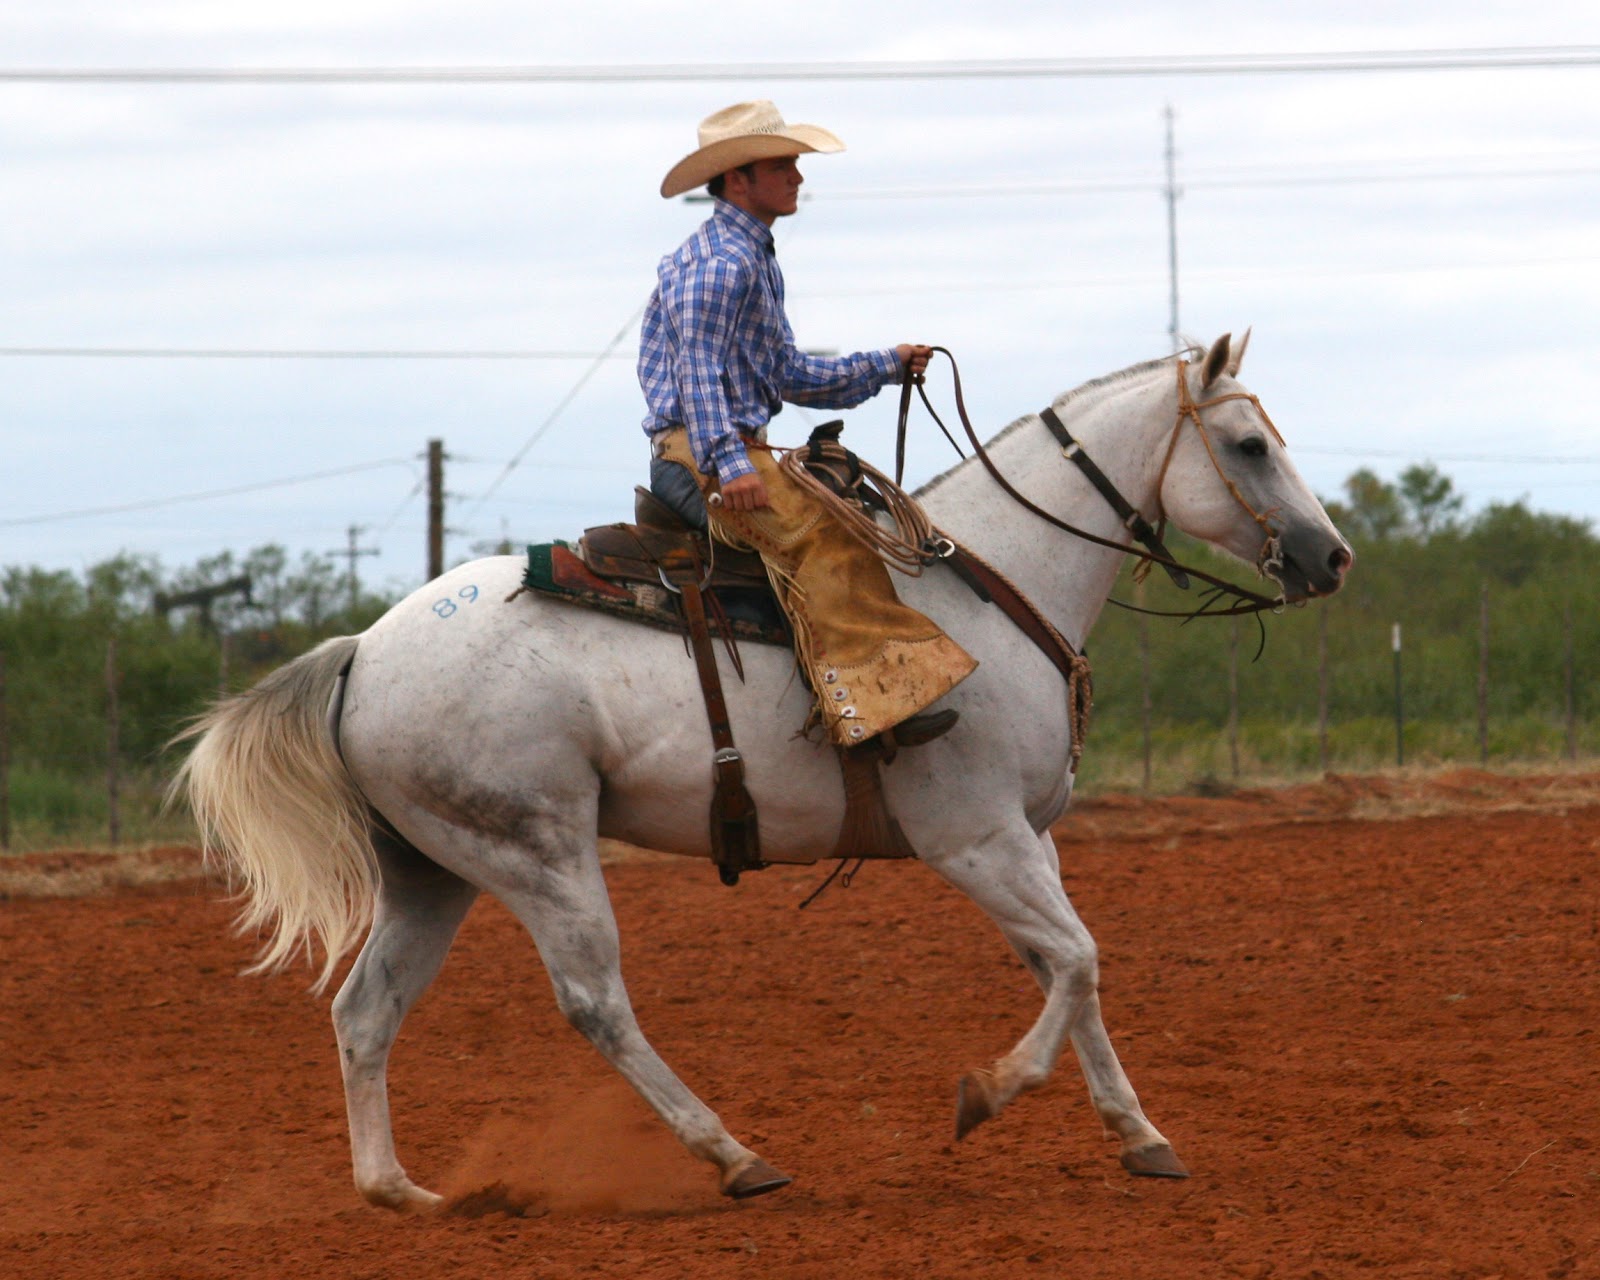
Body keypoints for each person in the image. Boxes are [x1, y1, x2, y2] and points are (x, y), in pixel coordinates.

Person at [639, 100, 976, 751]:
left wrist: (886, 365)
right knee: (826, 534)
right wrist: (729, 463)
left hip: (725, 447)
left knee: (841, 522)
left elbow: (788, 373)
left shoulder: (750, 257)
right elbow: (700, 372)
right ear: (740, 179)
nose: (797, 177)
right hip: (702, 456)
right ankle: (870, 707)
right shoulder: (721, 264)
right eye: (782, 165)